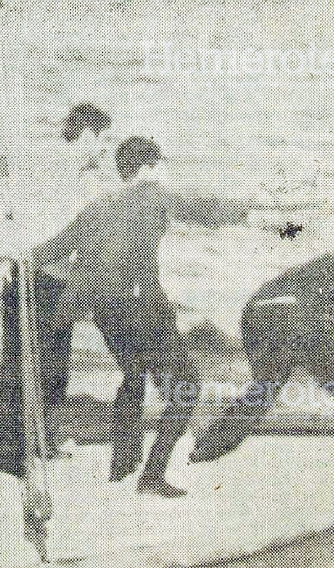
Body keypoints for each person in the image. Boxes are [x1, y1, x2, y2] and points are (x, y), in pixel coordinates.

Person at [26, 137, 202, 497]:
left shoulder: (101, 205)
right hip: (142, 306)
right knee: (187, 385)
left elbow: (54, 249)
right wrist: (261, 216)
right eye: (161, 165)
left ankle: (123, 467)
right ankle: (150, 475)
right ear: (150, 167)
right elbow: (202, 211)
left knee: (134, 376)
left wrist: (11, 265)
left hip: (105, 309)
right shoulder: (151, 191)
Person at [191, 245, 334, 467]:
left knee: (264, 391)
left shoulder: (330, 263)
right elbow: (323, 317)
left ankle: (206, 447)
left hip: (257, 315)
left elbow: (328, 310)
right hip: (296, 317)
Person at [0, 103, 115, 476]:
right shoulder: (64, 173)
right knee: (35, 362)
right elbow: (64, 232)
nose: (106, 149)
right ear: (87, 133)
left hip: (42, 275)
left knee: (37, 362)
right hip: (41, 277)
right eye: (103, 140)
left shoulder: (64, 169)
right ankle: (18, 449)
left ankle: (22, 445)